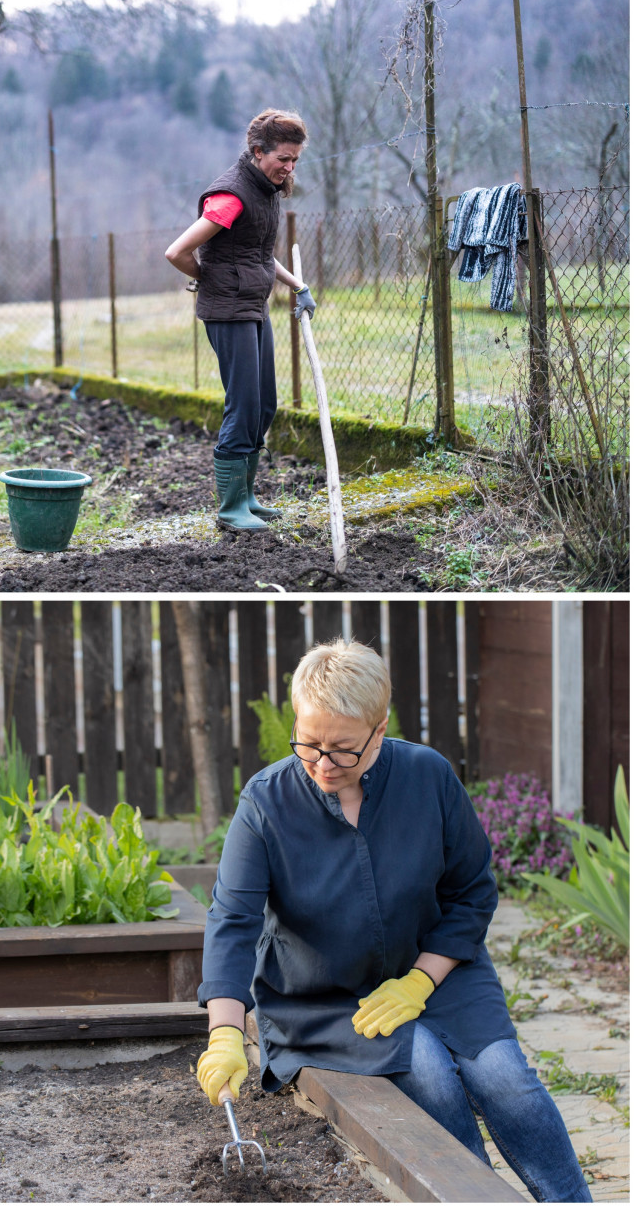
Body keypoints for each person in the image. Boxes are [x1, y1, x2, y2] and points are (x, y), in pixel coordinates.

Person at [195, 638, 592, 1203]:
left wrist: (421, 980)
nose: (324, 764)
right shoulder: (266, 802)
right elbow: (232, 920)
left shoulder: (428, 777)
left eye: (343, 749)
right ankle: (476, 1194)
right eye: (309, 745)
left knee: (507, 1078)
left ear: (379, 729)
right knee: (427, 1067)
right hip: (325, 996)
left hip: (438, 968)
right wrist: (226, 1033)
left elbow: (472, 892)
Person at [165, 109, 316, 532]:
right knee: (243, 404)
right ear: (257, 151)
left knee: (264, 403)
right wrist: (209, 279)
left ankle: (248, 496)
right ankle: (231, 508)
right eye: (282, 159)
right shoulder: (230, 196)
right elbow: (176, 252)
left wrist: (297, 285)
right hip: (228, 308)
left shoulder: (264, 190)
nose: (288, 168)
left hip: (252, 304)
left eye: (295, 161)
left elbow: (256, 251)